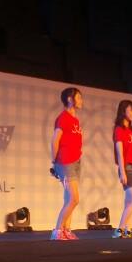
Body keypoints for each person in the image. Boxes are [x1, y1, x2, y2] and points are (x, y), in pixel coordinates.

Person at [51, 87, 83, 241]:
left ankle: (66, 229)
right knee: (74, 198)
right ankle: (57, 230)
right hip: (65, 160)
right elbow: (55, 140)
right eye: (79, 97)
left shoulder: (75, 120)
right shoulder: (63, 118)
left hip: (76, 160)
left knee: (69, 198)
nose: (81, 101)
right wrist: (54, 162)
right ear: (70, 99)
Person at [112, 100, 132, 239]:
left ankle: (127, 229)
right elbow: (119, 153)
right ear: (123, 111)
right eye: (131, 110)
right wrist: (122, 171)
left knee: (129, 201)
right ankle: (119, 229)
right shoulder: (119, 130)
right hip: (127, 167)